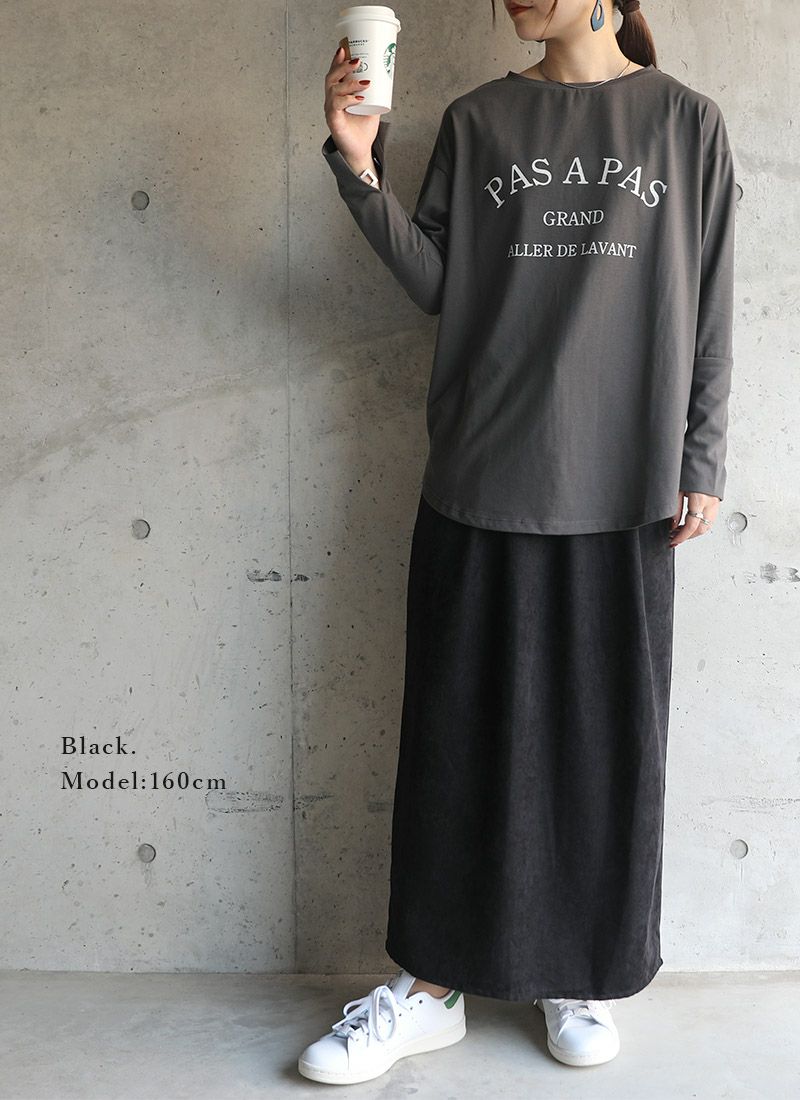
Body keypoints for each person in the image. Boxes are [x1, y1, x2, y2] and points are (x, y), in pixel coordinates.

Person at [298, 0, 736, 1085]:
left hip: (623, 482)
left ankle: (574, 970)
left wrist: (702, 455)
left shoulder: (685, 122)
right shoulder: (477, 120)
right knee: (455, 742)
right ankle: (432, 988)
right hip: (483, 471)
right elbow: (437, 285)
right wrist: (358, 164)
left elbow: (712, 300)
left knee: (600, 746)